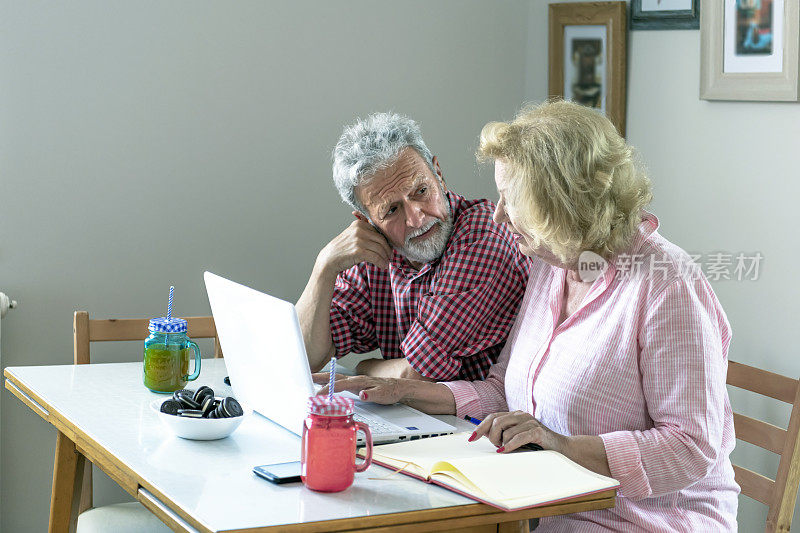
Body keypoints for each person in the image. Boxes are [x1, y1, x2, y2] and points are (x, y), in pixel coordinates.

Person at [317, 101, 739, 531]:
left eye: (510, 198)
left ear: (560, 202)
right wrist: (400, 391)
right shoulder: (552, 265)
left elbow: (691, 447)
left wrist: (560, 445)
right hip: (545, 508)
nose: (497, 213)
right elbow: (503, 392)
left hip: (640, 521)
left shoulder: (667, 285)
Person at [297, 112, 530, 381]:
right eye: (392, 210)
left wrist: (364, 367)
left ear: (438, 175)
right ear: (368, 221)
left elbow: (416, 374)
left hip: (486, 418)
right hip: (421, 418)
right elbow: (305, 357)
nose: (415, 218)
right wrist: (324, 267)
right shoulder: (374, 251)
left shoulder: (483, 235)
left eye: (421, 191)